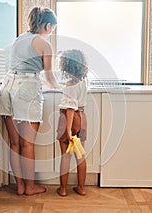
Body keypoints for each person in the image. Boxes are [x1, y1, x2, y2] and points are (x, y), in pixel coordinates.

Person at [0, 6, 60, 196]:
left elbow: (21, 67)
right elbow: (49, 78)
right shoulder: (44, 44)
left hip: (7, 87)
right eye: (53, 28)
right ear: (47, 25)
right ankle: (31, 187)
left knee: (14, 144)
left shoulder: (19, 39)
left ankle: (21, 186)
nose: (52, 32)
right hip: (26, 91)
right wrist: (61, 88)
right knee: (28, 144)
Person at [56, 49, 88, 197]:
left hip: (69, 120)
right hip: (81, 118)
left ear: (67, 66)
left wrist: (68, 130)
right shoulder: (84, 81)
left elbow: (69, 109)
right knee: (80, 155)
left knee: (65, 156)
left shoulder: (70, 84)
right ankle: (81, 188)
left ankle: (62, 189)